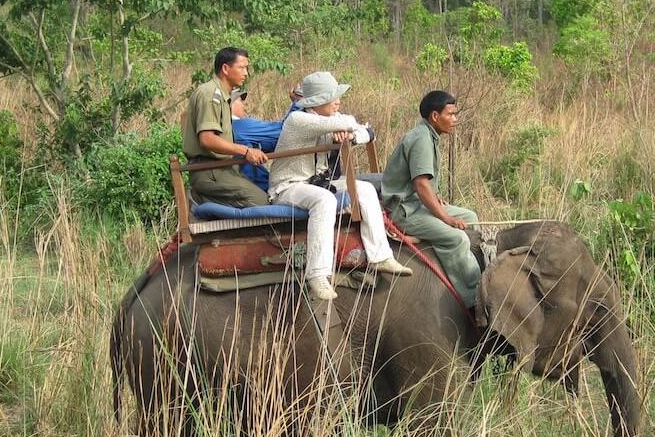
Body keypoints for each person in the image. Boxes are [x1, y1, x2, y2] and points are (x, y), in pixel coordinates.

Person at [269, 71, 411, 301]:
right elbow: (350, 123)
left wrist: (354, 135)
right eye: (332, 96)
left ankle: (380, 256)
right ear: (316, 101)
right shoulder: (299, 120)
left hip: (319, 184)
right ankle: (317, 274)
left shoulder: (326, 121)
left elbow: (367, 133)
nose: (338, 100)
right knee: (324, 201)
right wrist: (353, 129)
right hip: (289, 187)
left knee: (362, 188)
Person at [380, 90, 481, 308]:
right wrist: (446, 218)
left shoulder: (429, 135)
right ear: (435, 116)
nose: (455, 120)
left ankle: (467, 270)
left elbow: (420, 183)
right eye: (451, 114)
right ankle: (473, 298)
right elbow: (421, 184)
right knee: (457, 238)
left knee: (470, 217)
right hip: (405, 212)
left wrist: (436, 199)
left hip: (416, 204)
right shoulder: (421, 139)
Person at [180, 47, 269, 207]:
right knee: (259, 201)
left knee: (265, 189)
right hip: (209, 170)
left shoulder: (223, 96)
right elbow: (207, 140)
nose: (246, 73)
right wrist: (246, 151)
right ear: (226, 69)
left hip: (222, 168)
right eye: (241, 68)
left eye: (246, 68)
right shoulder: (210, 94)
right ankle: (200, 199)